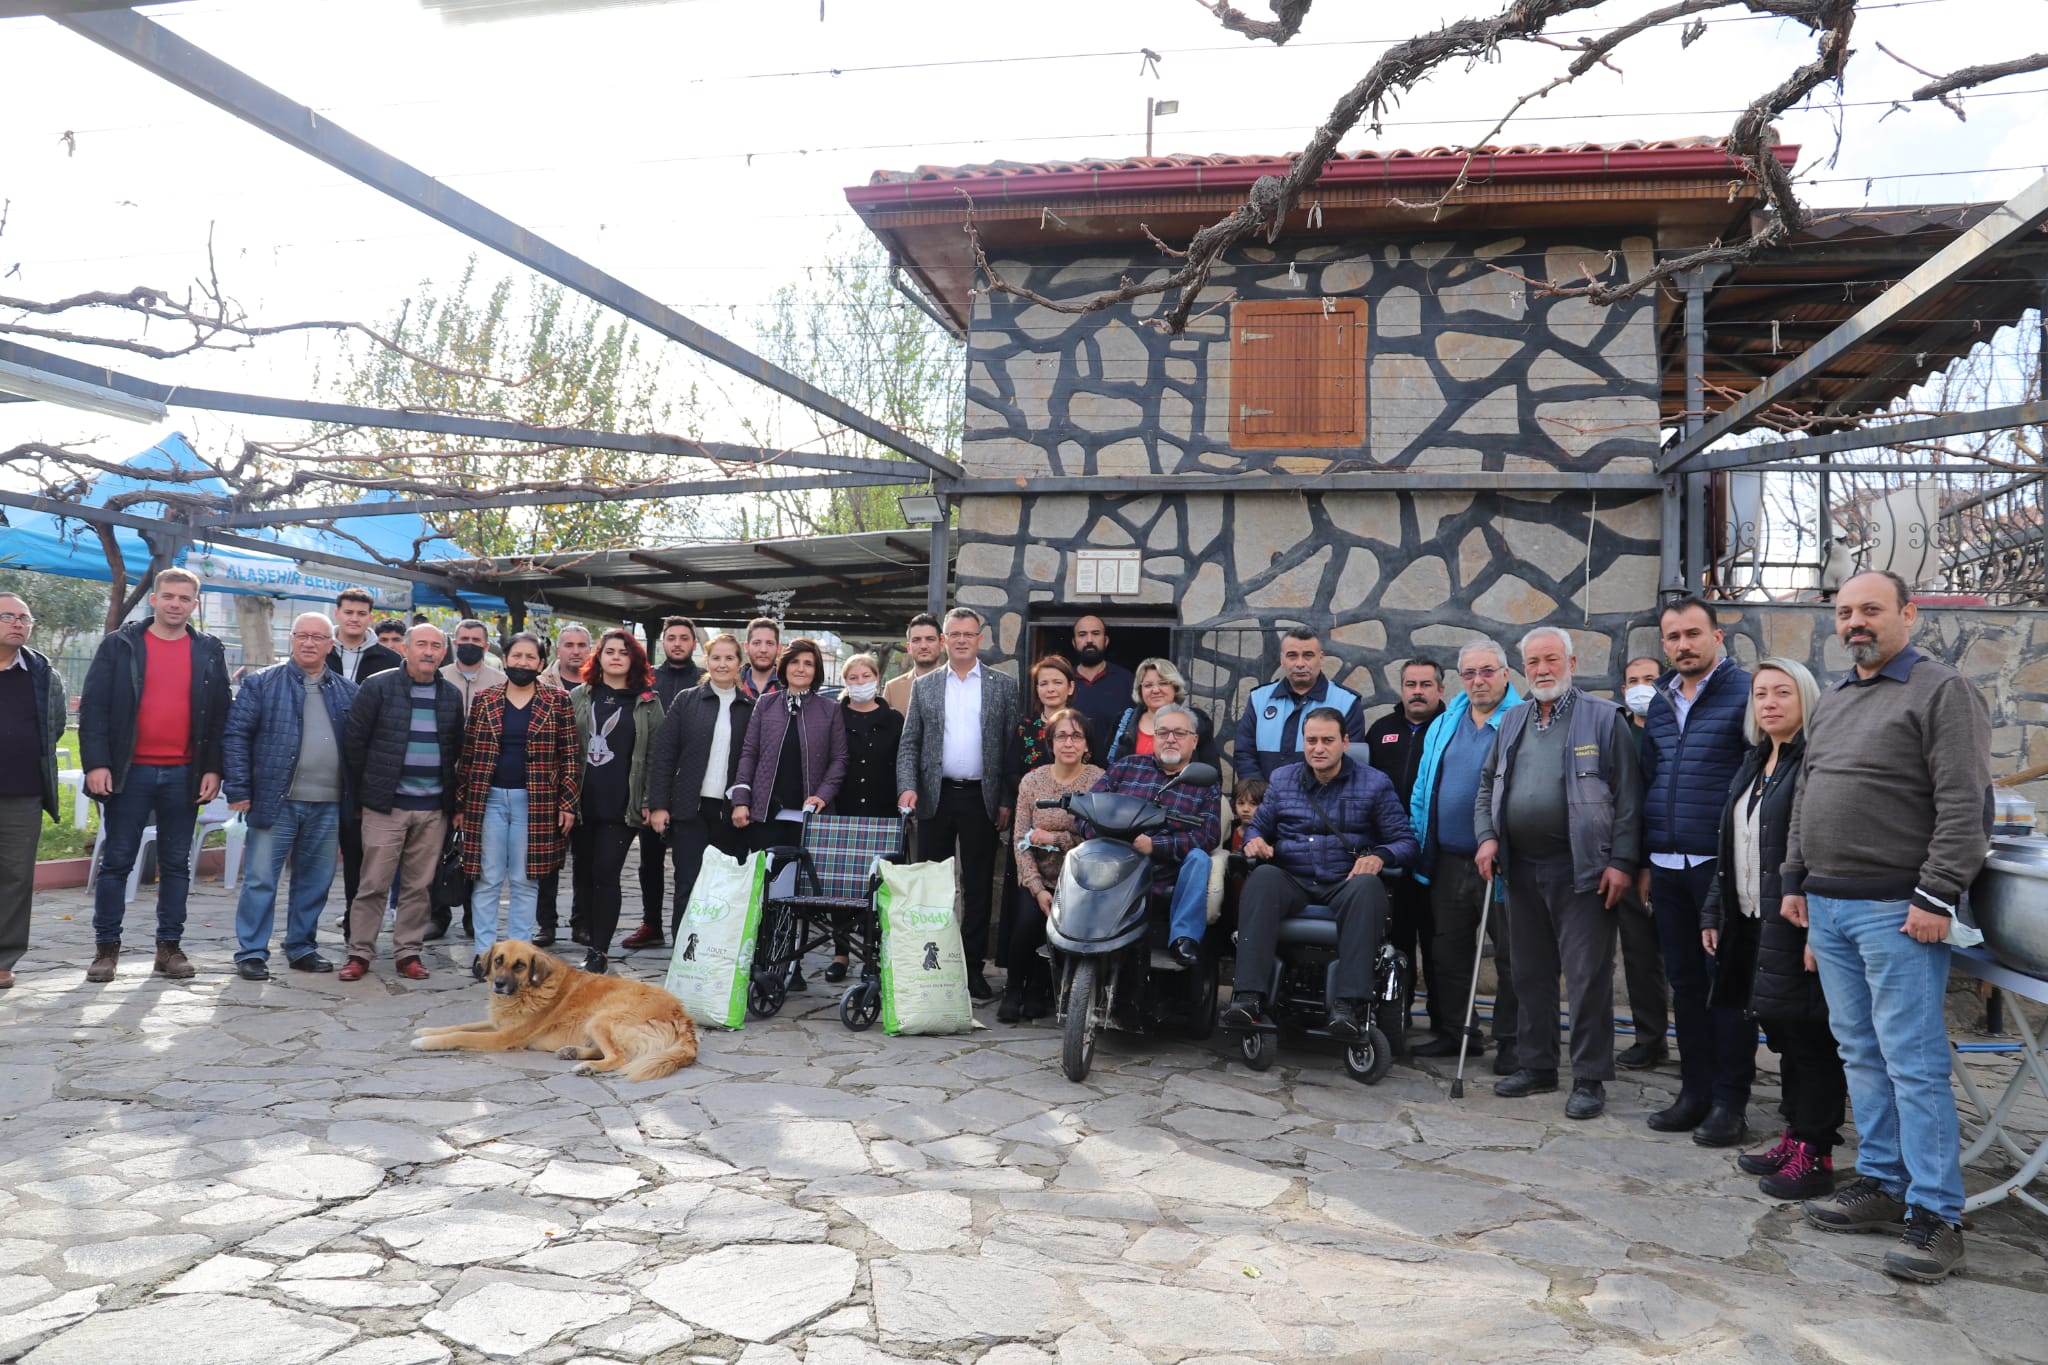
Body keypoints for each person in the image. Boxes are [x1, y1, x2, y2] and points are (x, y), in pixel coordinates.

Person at [1783, 571, 1991, 1283]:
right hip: (1832, 905)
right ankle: (1881, 1181)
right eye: (1844, 612)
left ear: (1909, 612)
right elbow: (1809, 791)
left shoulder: (1943, 690)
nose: (1854, 622)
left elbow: (1966, 801)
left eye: (1870, 609)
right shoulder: (1837, 698)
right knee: (1861, 1053)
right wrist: (1795, 882)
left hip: (1897, 909)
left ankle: (1938, 1215)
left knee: (1913, 1060)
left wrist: (1936, 895)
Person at [1476, 625, 1643, 1121]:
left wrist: (1622, 862)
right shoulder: (1513, 721)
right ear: (1523, 670)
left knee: (1588, 977)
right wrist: (1487, 837)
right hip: (1520, 869)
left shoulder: (1604, 718)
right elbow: (1487, 785)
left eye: (1552, 660)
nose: (1542, 670)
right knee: (1529, 973)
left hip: (1584, 870)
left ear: (1572, 663)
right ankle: (1537, 1065)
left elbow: (1631, 800)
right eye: (1533, 663)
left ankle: (1589, 1078)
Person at [1700, 657, 1843, 1200]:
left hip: (1794, 924)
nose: (1770, 703)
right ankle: (1794, 1137)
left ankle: (1816, 1151)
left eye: (1782, 692)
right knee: (1781, 1034)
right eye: (1761, 694)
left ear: (1806, 698)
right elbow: (1729, 848)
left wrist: (1816, 931)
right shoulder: (1756, 762)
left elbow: (1817, 848)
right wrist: (1715, 911)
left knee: (1811, 1038)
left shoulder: (1813, 764)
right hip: (1750, 921)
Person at [1222, 707, 1419, 1038]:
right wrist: (1255, 842)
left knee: (1369, 887)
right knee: (1263, 878)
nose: (1318, 748)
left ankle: (1348, 1006)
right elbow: (1258, 827)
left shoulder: (1374, 784)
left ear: (1345, 742)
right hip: (1294, 878)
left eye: (1327, 740)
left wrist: (1380, 857)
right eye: (1311, 740)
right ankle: (1248, 998)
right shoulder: (1284, 779)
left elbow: (1406, 842)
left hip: (1345, 881)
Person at [1639, 597, 1757, 1146]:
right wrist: (1643, 858)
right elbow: (1649, 779)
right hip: (1666, 866)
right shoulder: (1661, 702)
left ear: (1717, 636)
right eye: (1672, 637)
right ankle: (1693, 1092)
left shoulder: (1746, 693)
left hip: (1720, 867)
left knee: (1724, 988)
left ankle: (1730, 1102)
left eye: (1692, 633)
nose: (1683, 645)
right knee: (1684, 985)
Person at [78, 568, 231, 983]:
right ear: (154, 599)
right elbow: (93, 708)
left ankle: (169, 949)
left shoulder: (209, 650)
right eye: (168, 596)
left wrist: (214, 768)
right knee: (118, 863)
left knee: (177, 865)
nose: (175, 604)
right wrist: (96, 763)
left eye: (184, 598)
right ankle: (106, 950)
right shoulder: (121, 645)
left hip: (184, 773)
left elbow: (219, 716)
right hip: (129, 774)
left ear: (194, 604)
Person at [1407, 639, 1523, 1067]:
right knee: (1447, 952)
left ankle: (1511, 1042)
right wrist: (1422, 846)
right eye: (1470, 673)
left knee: (1513, 954)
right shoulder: (1445, 722)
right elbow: (1423, 789)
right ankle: (1458, 1034)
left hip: (1503, 863)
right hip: (1450, 859)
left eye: (1487, 671)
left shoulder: (1522, 720)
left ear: (1506, 674)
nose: (1478, 680)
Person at [896, 606, 1021, 1001]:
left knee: (979, 887)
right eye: (955, 634)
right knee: (932, 885)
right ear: (944, 640)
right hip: (936, 797)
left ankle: (972, 969)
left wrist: (1005, 799)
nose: (962, 640)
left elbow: (1010, 749)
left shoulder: (1003, 686)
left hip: (982, 798)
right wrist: (907, 786)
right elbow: (910, 742)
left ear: (980, 639)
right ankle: (929, 965)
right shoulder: (927, 685)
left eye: (969, 633)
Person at [223, 612, 354, 980]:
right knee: (261, 879)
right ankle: (251, 951)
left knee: (315, 880)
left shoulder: (347, 692)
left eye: (318, 637)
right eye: (302, 635)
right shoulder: (261, 684)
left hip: (328, 803)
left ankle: (301, 946)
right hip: (274, 800)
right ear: (291, 640)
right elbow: (236, 737)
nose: (309, 643)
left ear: (332, 644)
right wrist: (238, 790)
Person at [340, 623, 464, 981]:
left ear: (444, 653)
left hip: (431, 809)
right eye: (421, 644)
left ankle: (408, 952)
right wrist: (369, 795)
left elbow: (454, 750)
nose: (428, 651)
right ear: (405, 649)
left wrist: (453, 803)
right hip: (385, 806)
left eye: (436, 646)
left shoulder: (450, 695)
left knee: (418, 886)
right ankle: (359, 952)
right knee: (373, 883)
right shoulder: (377, 686)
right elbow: (355, 744)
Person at [456, 633, 579, 978]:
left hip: (537, 802)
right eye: (516, 656)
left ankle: (521, 957)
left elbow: (570, 756)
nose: (523, 662)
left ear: (541, 663)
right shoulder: (485, 699)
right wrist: (461, 803)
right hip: (488, 798)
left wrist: (567, 802)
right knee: (487, 878)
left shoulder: (558, 701)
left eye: (530, 657)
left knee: (526, 879)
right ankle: (485, 955)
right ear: (506, 659)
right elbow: (467, 755)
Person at [1079, 702, 1220, 968]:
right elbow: (1086, 809)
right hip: (1113, 863)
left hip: (1166, 869)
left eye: (1179, 733)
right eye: (1163, 732)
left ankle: (1183, 939)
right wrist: (1102, 835)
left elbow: (1208, 835)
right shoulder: (1127, 766)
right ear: (1154, 737)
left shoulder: (1205, 782)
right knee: (1078, 853)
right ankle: (1069, 935)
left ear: (1194, 740)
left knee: (1200, 858)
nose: (1170, 739)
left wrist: (1155, 845)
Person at [647, 634, 752, 940]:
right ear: (707, 661)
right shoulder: (687, 701)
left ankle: (713, 952)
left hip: (728, 813)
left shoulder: (750, 707)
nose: (722, 664)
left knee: (722, 887)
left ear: (739, 664)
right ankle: (683, 952)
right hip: (689, 808)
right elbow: (665, 754)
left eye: (729, 658)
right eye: (716, 658)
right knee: (688, 884)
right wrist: (659, 805)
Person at [570, 629, 663, 974]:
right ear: (599, 657)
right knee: (583, 872)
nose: (615, 657)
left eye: (623, 652)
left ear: (633, 660)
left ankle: (599, 950)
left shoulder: (647, 702)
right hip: (581, 802)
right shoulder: (579, 696)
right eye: (609, 651)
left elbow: (656, 755)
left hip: (622, 806)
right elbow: (566, 748)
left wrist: (652, 799)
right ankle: (587, 933)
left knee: (605, 873)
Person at [1366, 657, 1448, 1042]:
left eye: (1426, 684)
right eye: (1411, 684)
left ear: (1440, 690)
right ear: (1401, 689)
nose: (1417, 691)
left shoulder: (1454, 729)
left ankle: (1443, 1024)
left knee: (1438, 943)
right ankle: (1395, 1019)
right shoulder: (1381, 730)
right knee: (1394, 941)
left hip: (1438, 855)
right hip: (1390, 855)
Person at [1008, 707, 1103, 1022]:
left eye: (1077, 736)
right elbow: (1020, 839)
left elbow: (1097, 840)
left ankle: (1038, 990)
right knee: (1025, 922)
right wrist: (1036, 888)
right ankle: (1012, 989)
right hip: (1037, 875)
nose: (1069, 743)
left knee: (1057, 931)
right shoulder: (1033, 781)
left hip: (1078, 879)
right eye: (1061, 736)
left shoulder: (1098, 782)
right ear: (1050, 743)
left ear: (1087, 745)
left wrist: (1059, 837)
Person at [619, 616, 703, 953]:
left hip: (694, 785)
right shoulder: (646, 679)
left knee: (691, 865)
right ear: (664, 641)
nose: (678, 643)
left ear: (694, 643)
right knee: (649, 859)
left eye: (685, 637)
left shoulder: (705, 679)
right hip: (654, 780)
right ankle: (651, 923)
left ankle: (692, 929)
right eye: (672, 637)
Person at [0, 590, 66, 991]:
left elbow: (53, 726)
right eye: (8, 616)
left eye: (25, 618)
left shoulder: (42, 674)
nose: (19, 623)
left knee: (15, 877)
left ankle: (4, 958)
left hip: (23, 792)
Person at [831, 652, 904, 981]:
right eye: (853, 678)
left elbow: (902, 762)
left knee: (876, 887)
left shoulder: (895, 719)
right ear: (846, 682)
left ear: (877, 678)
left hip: (882, 810)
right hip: (842, 808)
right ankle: (841, 953)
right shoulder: (836, 716)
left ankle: (872, 954)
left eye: (866, 676)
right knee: (840, 886)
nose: (860, 683)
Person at [1231, 627, 1366, 781]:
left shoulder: (1347, 702)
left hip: (1322, 802)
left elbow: (1351, 761)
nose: (1300, 663)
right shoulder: (1259, 699)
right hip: (1266, 800)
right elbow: (1244, 754)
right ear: (1282, 660)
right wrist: (1262, 796)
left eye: (1308, 655)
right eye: (1292, 656)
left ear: (1321, 658)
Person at [533, 623, 592, 947]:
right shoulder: (540, 684)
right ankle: (546, 924)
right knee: (547, 862)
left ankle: (581, 923)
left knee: (584, 862)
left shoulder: (600, 687)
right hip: (548, 788)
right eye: (569, 644)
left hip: (589, 787)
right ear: (558, 650)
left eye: (582, 644)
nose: (575, 650)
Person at [1105, 658, 1220, 767]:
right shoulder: (1122, 722)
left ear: (1175, 687)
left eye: (1163, 683)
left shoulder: (1196, 720)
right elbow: (1110, 768)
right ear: (1140, 691)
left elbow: (1211, 770)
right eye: (1148, 685)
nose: (1155, 690)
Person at [1067, 615, 1135, 743]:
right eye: (1082, 634)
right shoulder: (1063, 680)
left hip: (1113, 762)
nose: (1089, 640)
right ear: (1074, 642)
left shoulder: (1126, 679)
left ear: (1106, 640)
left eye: (1096, 633)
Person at [1009, 655, 1079, 780]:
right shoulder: (1024, 728)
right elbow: (1012, 773)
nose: (1050, 689)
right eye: (1043, 684)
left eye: (1057, 682)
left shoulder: (1082, 728)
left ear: (1070, 687)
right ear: (1037, 689)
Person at [327, 588, 401, 685]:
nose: (354, 619)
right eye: (348, 612)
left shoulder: (391, 660)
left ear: (370, 618)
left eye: (361, 614)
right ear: (337, 614)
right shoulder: (320, 652)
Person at [882, 612, 944, 714]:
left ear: (942, 644)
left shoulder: (957, 685)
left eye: (930, 639)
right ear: (909, 648)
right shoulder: (892, 689)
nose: (923, 646)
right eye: (916, 640)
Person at [442, 618, 507, 714]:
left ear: (486, 647)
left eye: (476, 640)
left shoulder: (501, 682)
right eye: (465, 639)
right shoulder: (440, 677)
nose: (470, 643)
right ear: (455, 644)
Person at [538, 623, 593, 693]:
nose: (576, 652)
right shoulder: (539, 685)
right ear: (558, 651)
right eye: (569, 646)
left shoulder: (603, 684)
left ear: (590, 650)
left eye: (581, 645)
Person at [740, 617, 782, 701]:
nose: (763, 650)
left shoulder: (790, 685)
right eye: (757, 643)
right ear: (746, 647)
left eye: (769, 643)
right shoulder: (731, 684)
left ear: (778, 648)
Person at [1228, 779, 1268, 854]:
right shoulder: (1229, 829)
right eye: (1241, 803)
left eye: (1253, 803)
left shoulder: (1269, 834)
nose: (1245, 809)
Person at [1622, 656, 1662, 729]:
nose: (1640, 686)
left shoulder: (1684, 731)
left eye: (1649, 679)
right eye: (1633, 681)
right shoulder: (1613, 734)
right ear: (1624, 691)